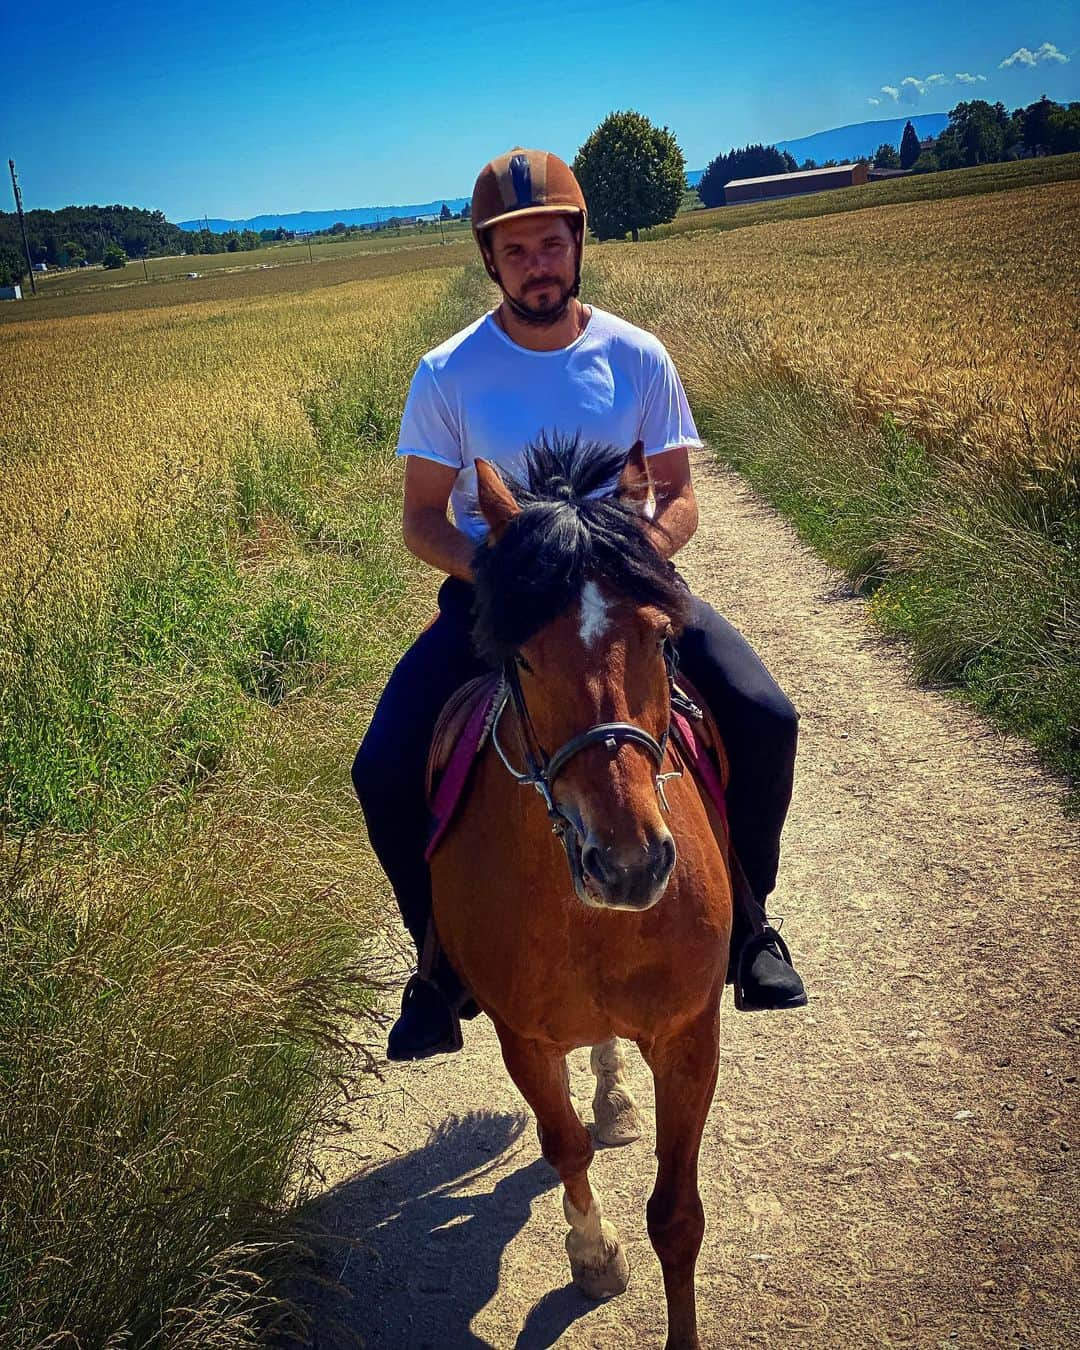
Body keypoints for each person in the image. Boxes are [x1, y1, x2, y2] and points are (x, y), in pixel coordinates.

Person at [353, 148, 807, 1062]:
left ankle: (751, 923)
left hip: (627, 601)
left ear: (577, 245)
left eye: (551, 245)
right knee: (382, 765)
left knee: (765, 714)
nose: (537, 266)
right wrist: (509, 574)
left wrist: (636, 559)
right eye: (516, 252)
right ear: (490, 262)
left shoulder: (636, 355)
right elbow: (420, 520)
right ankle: (438, 967)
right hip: (505, 609)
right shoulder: (447, 373)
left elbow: (678, 493)